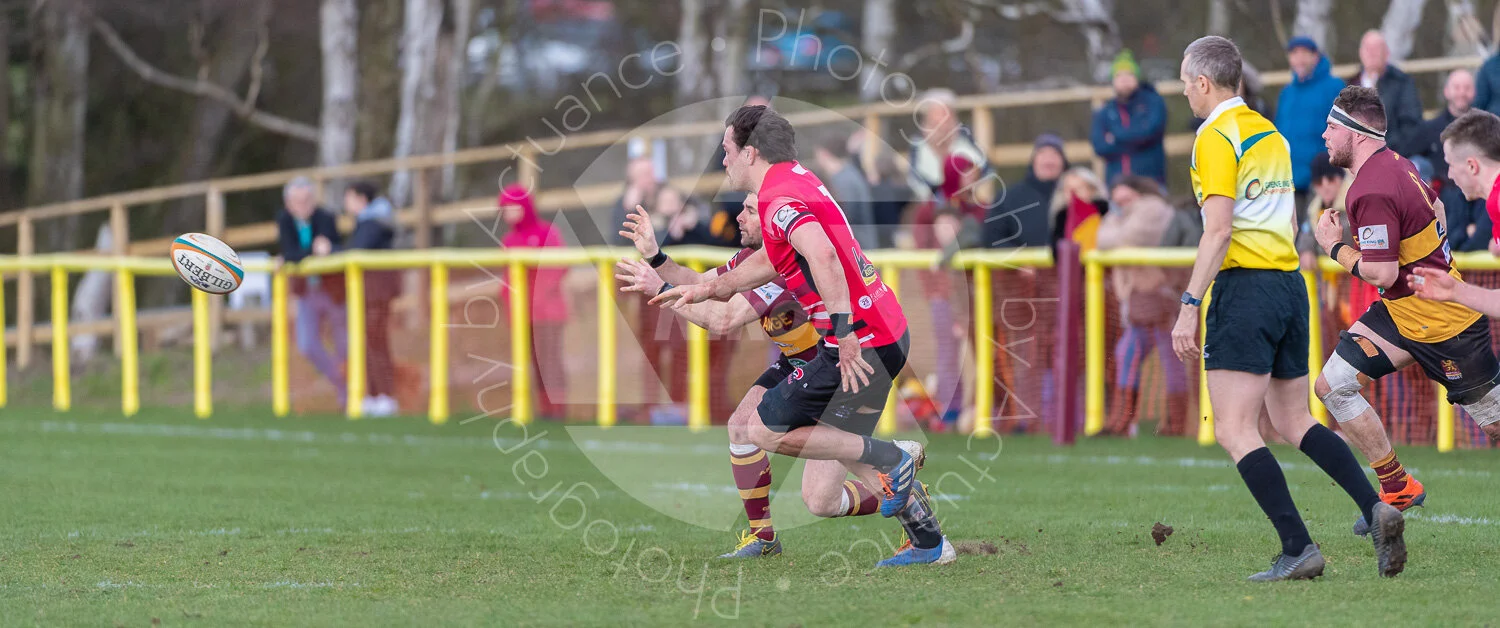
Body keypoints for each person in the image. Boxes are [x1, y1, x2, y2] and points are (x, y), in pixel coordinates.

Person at [653, 105, 951, 567]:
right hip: (883, 333)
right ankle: (930, 542)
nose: (723, 160)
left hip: (858, 343)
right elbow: (754, 270)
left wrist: (844, 331)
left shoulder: (778, 199)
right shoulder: (797, 179)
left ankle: (896, 456)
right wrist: (684, 278)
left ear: (750, 153)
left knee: (762, 428)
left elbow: (823, 256)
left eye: (727, 150)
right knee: (820, 498)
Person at [1172, 36, 1403, 581]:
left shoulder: (1214, 136)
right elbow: (1286, 215)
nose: (1183, 92)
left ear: (1203, 82)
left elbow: (1218, 231)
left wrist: (1189, 304)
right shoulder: (1269, 131)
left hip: (1245, 289)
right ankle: (1375, 507)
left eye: (1184, 82)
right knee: (1293, 419)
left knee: (1234, 429)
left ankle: (1298, 546)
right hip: (1288, 286)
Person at [615, 194, 941, 561]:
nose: (739, 217)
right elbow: (699, 282)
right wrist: (655, 256)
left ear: (772, 221)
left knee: (823, 498)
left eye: (750, 211)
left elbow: (721, 319)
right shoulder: (752, 259)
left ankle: (915, 509)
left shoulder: (782, 263)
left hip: (833, 375)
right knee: (743, 427)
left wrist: (659, 289)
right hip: (798, 365)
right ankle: (763, 538)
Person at [1312, 87, 1494, 538]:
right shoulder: (1397, 163)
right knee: (1332, 385)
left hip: (1446, 325)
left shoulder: (1371, 187)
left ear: (1356, 132)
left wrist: (1333, 246)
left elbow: (1382, 271)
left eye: (1331, 126)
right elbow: (1438, 210)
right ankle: (1397, 486)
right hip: (1403, 312)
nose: (1324, 134)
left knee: (1496, 428)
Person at [1096, 178, 1187, 436]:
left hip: (1161, 293)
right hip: (1140, 295)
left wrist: (1115, 227)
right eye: (1117, 201)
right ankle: (1124, 422)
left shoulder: (1153, 208)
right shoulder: (1124, 215)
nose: (1121, 206)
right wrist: (1116, 227)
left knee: (1169, 356)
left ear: (1140, 193)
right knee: (1127, 353)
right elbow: (1101, 239)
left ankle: (1176, 423)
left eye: (1126, 199)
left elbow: (1127, 237)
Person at [498, 184, 570, 420]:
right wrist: (510, 304)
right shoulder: (509, 240)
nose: (508, 213)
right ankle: (543, 409)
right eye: (505, 209)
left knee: (550, 360)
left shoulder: (547, 232)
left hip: (547, 313)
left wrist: (539, 298)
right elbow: (508, 279)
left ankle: (557, 409)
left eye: (512, 207)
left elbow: (559, 267)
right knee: (534, 363)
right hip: (523, 313)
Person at [1400, 69, 1492, 252]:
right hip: (1444, 205)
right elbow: (1403, 160)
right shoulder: (1429, 129)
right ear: (1447, 91)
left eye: (1467, 88)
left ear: (1474, 92)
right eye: (1457, 87)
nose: (1461, 93)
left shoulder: (1486, 129)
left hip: (1479, 204)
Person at [275, 176, 347, 405]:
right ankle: (341, 381)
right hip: (307, 292)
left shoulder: (325, 218)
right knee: (307, 344)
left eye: (307, 200)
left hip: (333, 291)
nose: (302, 205)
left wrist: (296, 256)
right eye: (297, 201)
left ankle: (353, 395)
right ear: (288, 203)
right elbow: (290, 252)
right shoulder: (285, 220)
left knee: (344, 345)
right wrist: (308, 253)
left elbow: (332, 249)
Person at [340, 181, 400, 417]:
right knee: (369, 341)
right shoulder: (367, 222)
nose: (346, 204)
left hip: (376, 292)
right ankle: (374, 395)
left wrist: (331, 251)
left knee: (376, 341)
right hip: (368, 292)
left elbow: (357, 249)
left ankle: (385, 395)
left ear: (361, 198)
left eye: (349, 197)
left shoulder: (373, 224)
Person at [1275, 36, 1346, 206]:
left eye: (1304, 53)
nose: (1299, 59)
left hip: (1323, 181)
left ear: (1315, 56)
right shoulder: (1287, 93)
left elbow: (1342, 131)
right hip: (1290, 181)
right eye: (1294, 54)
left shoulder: (1334, 87)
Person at [1090, 49, 1168, 186]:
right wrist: (1137, 140)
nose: (1124, 80)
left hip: (1151, 184)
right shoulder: (1105, 111)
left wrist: (1115, 137)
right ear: (1113, 80)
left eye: (1129, 74)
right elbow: (1100, 147)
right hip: (1117, 186)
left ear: (1137, 78)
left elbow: (1150, 132)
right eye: (1119, 76)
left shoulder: (1153, 102)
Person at [906, 89, 989, 206]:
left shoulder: (965, 142)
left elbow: (986, 170)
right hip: (931, 207)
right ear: (925, 124)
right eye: (935, 123)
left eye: (946, 121)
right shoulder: (917, 147)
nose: (942, 128)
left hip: (966, 205)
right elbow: (915, 182)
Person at [1350, 30, 1423, 153]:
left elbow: (1411, 125)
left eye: (1376, 48)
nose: (1371, 53)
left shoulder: (1402, 83)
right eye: (1367, 48)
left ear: (1386, 53)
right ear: (1360, 52)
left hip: (1393, 153)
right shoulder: (1350, 85)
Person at [813, 134, 877, 249]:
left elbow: (845, 214)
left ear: (824, 154)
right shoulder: (849, 174)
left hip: (858, 248)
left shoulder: (844, 180)